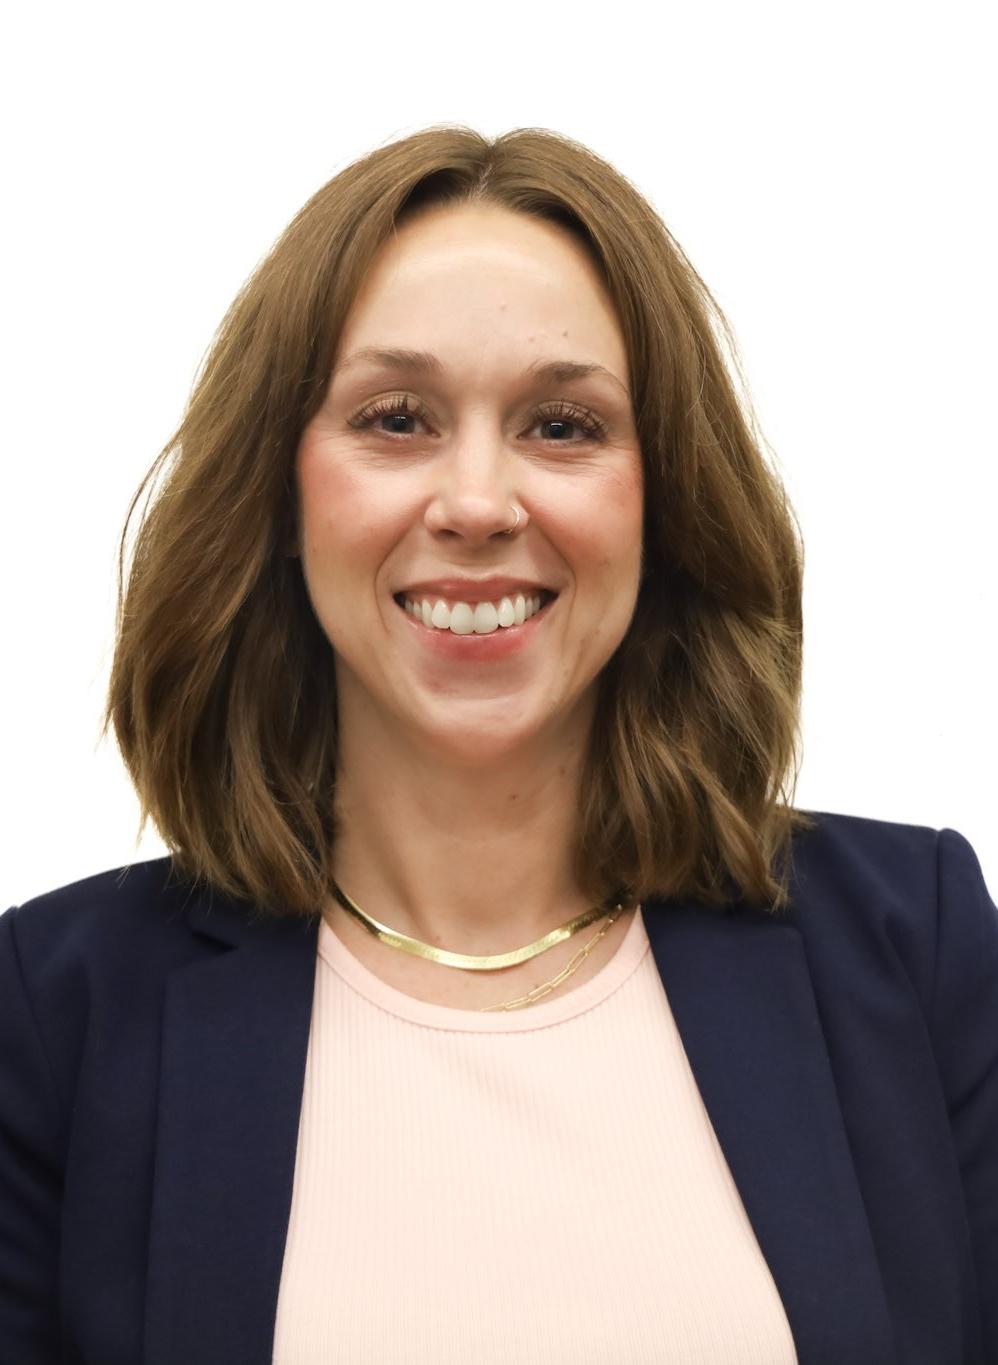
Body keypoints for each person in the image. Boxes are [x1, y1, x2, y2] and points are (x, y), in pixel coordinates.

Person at [1, 125, 995, 1365]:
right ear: (282, 495)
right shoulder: (56, 1010)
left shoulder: (916, 948)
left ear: (664, 494)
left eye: (563, 426)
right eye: (397, 417)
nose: (476, 503)